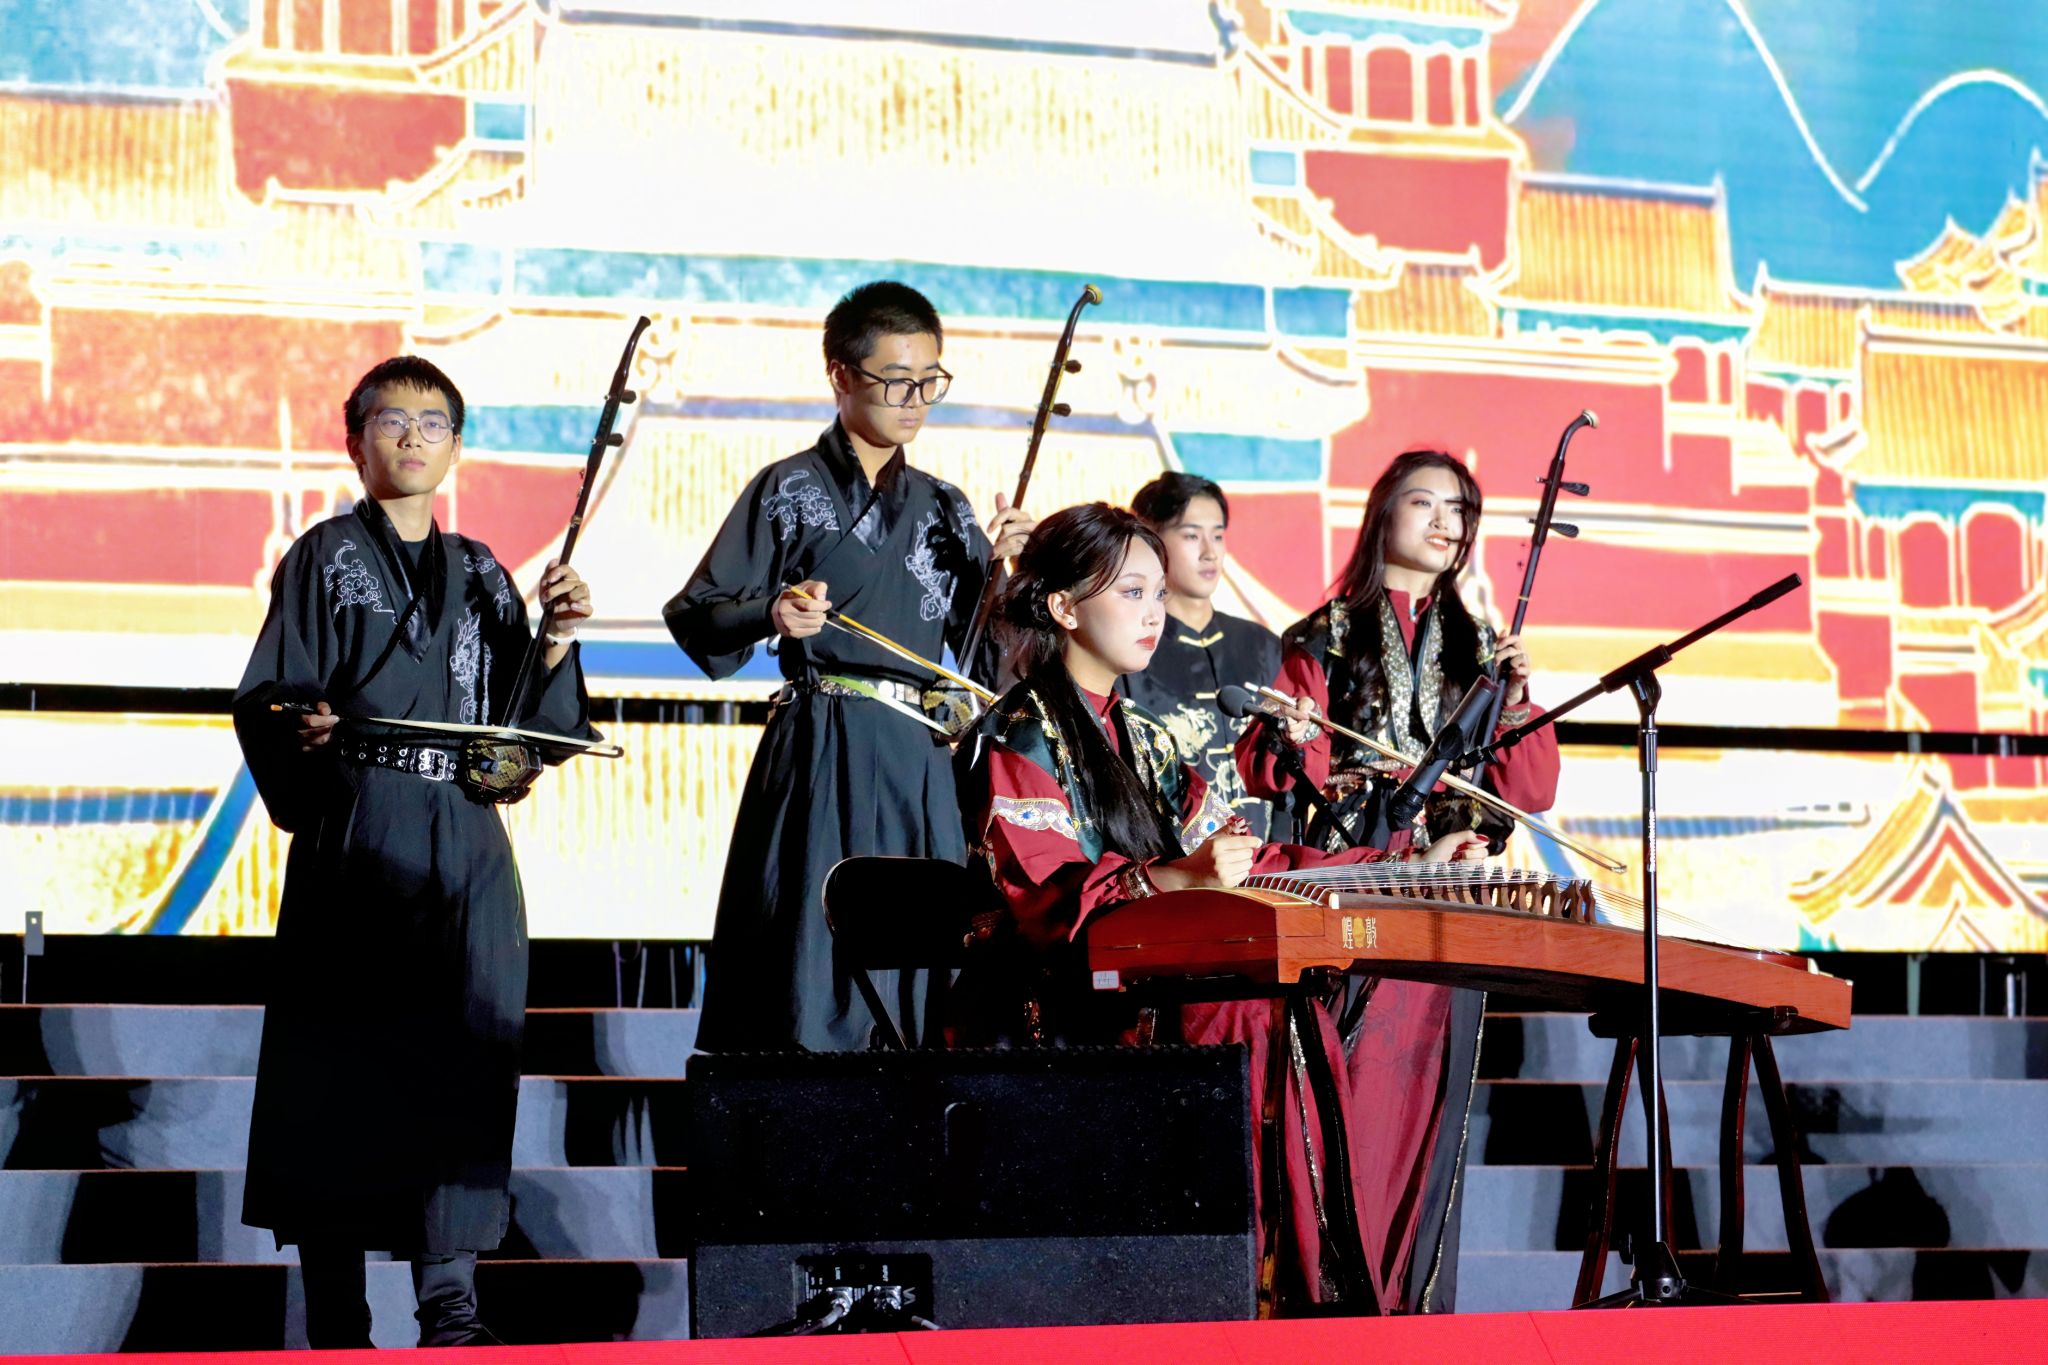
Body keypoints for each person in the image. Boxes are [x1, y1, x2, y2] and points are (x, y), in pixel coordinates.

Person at [954, 502, 1484, 1313]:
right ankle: (1267, 1278)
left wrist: (1400, 869)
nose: (1153, 612)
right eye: (1131, 592)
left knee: (1361, 981)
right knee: (1252, 1009)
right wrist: (1175, 879)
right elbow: (1047, 899)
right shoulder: (1017, 735)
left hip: (1152, 985)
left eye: (1157, 593)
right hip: (1057, 1006)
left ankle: (1324, 1276)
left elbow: (1252, 857)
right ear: (1063, 607)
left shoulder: (1149, 739)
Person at [232, 356, 596, 1347]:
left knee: (464, 1060)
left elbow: (524, 730)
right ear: (355, 441)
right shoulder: (321, 556)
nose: (412, 436)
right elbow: (271, 694)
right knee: (340, 1067)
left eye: (433, 422)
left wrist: (555, 639)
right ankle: (338, 1321)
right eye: (391, 420)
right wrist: (303, 722)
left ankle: (452, 1309)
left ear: (457, 445)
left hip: (466, 841)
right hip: (361, 828)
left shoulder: (482, 572)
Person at [1234, 447, 1564, 1314]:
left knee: (1428, 1099)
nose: (1444, 522)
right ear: (1384, 511)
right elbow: (1279, 772)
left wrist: (1518, 699)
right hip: (1354, 883)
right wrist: (1294, 734)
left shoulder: (1484, 649)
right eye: (1425, 503)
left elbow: (1527, 789)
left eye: (1459, 510)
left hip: (1449, 893)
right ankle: (1328, 1297)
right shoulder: (1323, 635)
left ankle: (1407, 1308)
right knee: (1351, 1091)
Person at [664, 280, 1032, 1052]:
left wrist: (1006, 574)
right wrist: (771, 611)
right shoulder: (788, 489)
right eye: (896, 380)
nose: (915, 399)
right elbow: (697, 611)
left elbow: (990, 659)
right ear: (840, 373)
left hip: (915, 755)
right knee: (810, 936)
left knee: (922, 953)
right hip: (819, 741)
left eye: (930, 380)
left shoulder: (947, 507)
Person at [1121, 472, 1282, 839]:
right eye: (1191, 535)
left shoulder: (1262, 645)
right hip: (1175, 860)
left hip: (1270, 860)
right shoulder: (1131, 650)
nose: (1210, 552)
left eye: (1218, 535)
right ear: (1150, 539)